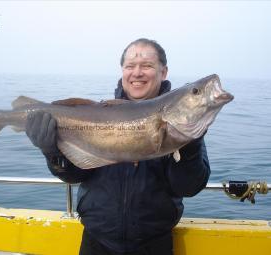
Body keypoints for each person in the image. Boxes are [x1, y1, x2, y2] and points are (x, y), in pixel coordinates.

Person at [26, 38, 210, 255]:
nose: (137, 72)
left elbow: (188, 187)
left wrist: (190, 146)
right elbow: (74, 175)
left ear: (164, 72)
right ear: (122, 71)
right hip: (96, 242)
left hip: (154, 245)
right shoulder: (97, 114)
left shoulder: (181, 127)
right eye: (130, 66)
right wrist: (52, 152)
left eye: (147, 66)